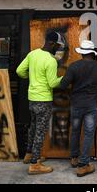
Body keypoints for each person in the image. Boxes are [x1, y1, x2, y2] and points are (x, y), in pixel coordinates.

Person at [16, 31, 65, 175]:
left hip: (32, 98)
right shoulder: (50, 60)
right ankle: (35, 164)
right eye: (58, 45)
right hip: (44, 100)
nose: (58, 48)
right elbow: (52, 83)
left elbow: (19, 71)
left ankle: (29, 154)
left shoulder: (33, 54)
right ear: (52, 43)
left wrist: (32, 78)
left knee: (33, 127)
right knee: (40, 131)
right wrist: (65, 78)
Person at [59, 40, 97, 177]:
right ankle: (83, 164)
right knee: (88, 133)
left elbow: (63, 85)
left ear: (82, 53)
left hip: (76, 104)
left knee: (75, 130)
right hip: (91, 104)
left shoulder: (74, 67)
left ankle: (74, 158)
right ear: (92, 53)